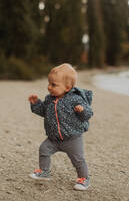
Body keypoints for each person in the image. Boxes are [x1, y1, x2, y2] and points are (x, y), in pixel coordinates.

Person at [28, 63, 93, 191]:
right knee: (44, 149)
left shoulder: (75, 99)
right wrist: (35, 104)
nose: (49, 87)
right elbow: (43, 111)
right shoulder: (50, 99)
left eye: (54, 85)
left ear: (68, 87)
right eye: (49, 83)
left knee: (78, 160)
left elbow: (88, 114)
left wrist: (82, 110)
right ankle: (44, 171)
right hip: (54, 138)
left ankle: (84, 179)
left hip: (72, 139)